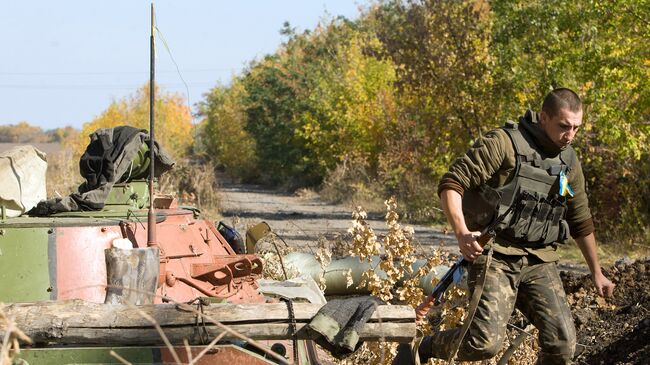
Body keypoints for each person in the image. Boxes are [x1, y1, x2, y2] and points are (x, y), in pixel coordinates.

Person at [417, 88, 615, 364]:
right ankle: (424, 348)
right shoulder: (505, 144)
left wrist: (597, 271)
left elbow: (579, 218)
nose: (570, 136)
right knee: (483, 344)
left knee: (562, 346)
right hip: (495, 256)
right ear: (543, 117)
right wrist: (461, 233)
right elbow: (452, 183)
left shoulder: (568, 161)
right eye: (563, 126)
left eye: (576, 128)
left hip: (538, 260)